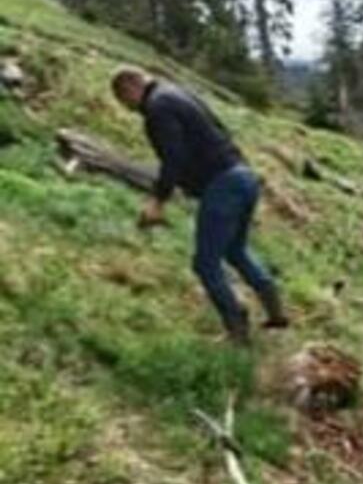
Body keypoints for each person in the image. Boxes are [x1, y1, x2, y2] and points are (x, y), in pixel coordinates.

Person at [110, 66, 288, 343]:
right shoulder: (179, 92)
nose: (129, 108)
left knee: (205, 264)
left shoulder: (158, 107)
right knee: (236, 250)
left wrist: (158, 200)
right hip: (243, 176)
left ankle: (237, 329)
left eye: (124, 100)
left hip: (222, 185)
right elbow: (220, 129)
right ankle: (276, 314)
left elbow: (173, 157)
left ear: (131, 87)